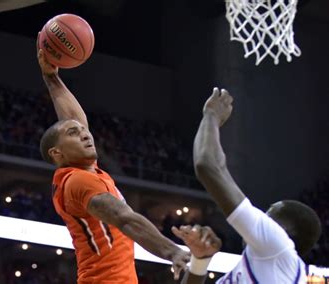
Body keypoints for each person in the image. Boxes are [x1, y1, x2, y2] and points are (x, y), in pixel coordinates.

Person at [37, 47, 190, 283]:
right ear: (57, 153)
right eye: (74, 134)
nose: (86, 135)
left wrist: (51, 78)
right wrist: (171, 250)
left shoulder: (83, 170)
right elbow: (123, 217)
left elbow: (74, 120)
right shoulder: (77, 181)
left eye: (85, 131)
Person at [189, 88, 322, 283]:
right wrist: (200, 260)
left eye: (269, 213)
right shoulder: (259, 263)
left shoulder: (277, 245)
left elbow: (206, 167)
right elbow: (215, 168)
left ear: (282, 230)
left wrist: (211, 116)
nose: (261, 216)